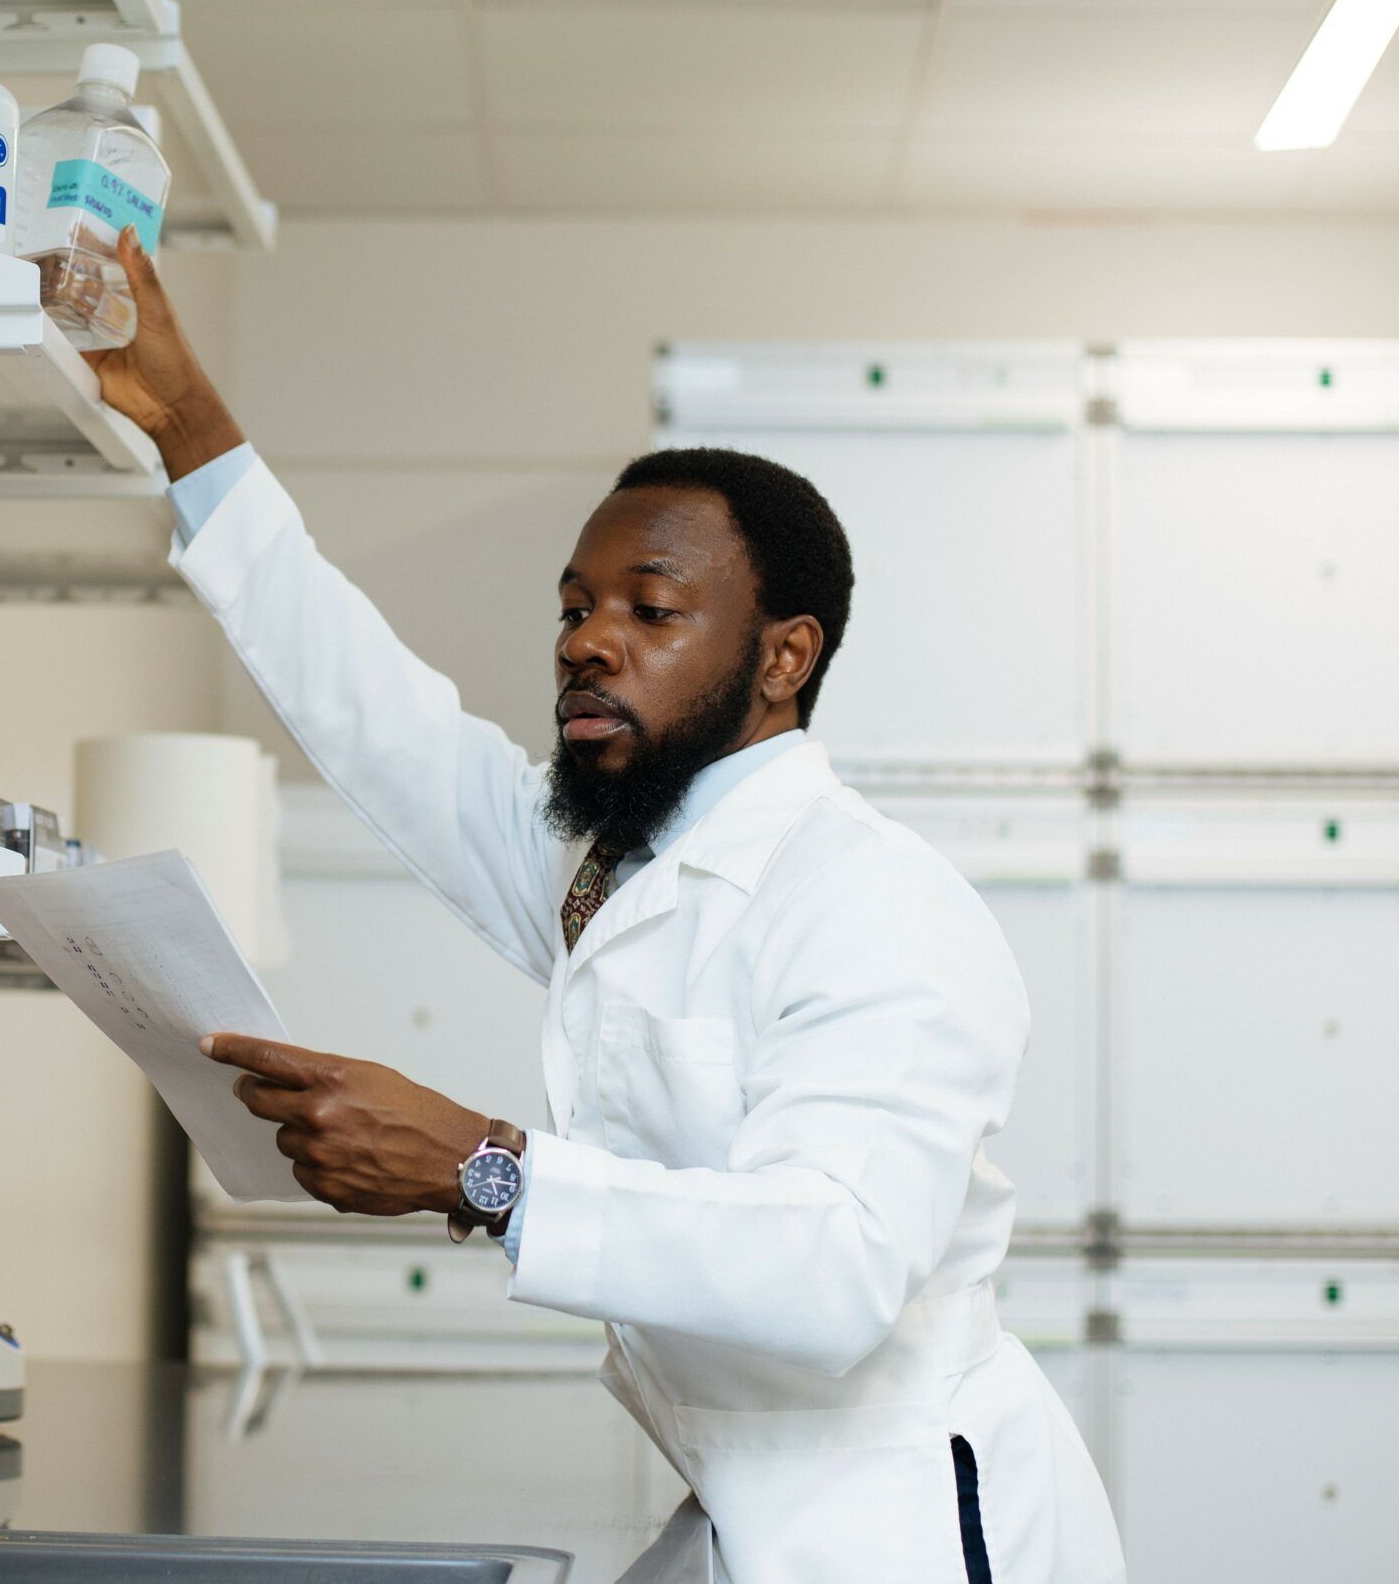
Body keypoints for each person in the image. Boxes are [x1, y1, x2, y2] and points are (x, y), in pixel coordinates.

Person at [88, 228, 1125, 1584]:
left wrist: (482, 1166)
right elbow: (379, 723)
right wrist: (187, 428)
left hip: (904, 1530)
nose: (587, 639)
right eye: (575, 606)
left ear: (780, 659)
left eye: (650, 610)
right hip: (743, 1502)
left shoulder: (872, 905)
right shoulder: (615, 863)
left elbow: (836, 1263)